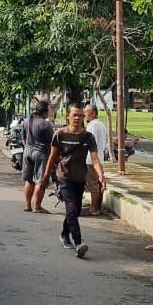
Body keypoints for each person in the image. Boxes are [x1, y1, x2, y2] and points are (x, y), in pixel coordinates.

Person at [40, 104, 106, 259]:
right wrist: (45, 176)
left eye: (80, 116)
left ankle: (64, 233)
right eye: (74, 115)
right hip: (64, 177)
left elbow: (95, 159)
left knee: (74, 210)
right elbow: (52, 157)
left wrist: (101, 175)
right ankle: (78, 242)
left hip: (80, 177)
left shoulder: (88, 137)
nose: (77, 118)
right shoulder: (60, 134)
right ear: (67, 116)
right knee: (71, 207)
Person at [22, 101, 54, 213]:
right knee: (41, 180)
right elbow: (52, 143)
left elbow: (23, 139)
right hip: (41, 153)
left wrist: (28, 147)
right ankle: (37, 206)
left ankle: (27, 205)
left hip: (27, 151)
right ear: (45, 112)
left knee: (29, 180)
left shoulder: (27, 121)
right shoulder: (46, 125)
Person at [83, 104, 109, 216]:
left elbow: (90, 143)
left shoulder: (93, 125)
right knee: (99, 183)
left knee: (94, 184)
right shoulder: (101, 124)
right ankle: (98, 207)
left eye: (86, 113)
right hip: (100, 158)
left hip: (92, 159)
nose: (84, 115)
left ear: (93, 113)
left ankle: (94, 208)